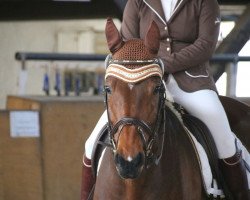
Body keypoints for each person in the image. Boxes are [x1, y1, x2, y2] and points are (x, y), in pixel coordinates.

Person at [81, 0, 250, 199]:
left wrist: (161, 64)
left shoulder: (205, 3)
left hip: (192, 82)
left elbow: (205, 45)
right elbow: (126, 45)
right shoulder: (137, 2)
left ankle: (240, 194)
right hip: (142, 84)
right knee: (91, 143)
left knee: (223, 138)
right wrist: (146, 69)